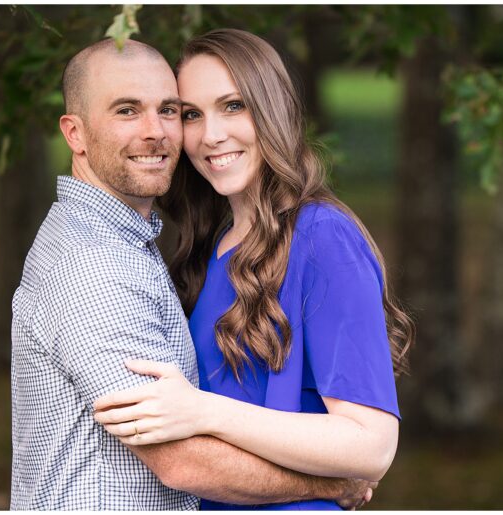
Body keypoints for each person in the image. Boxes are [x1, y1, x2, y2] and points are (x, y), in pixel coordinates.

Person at [10, 37, 375, 510]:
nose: (156, 131)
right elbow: (181, 460)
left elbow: (368, 435)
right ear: (75, 134)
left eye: (167, 110)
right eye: (126, 111)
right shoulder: (92, 264)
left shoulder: (139, 242)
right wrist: (330, 485)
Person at [94, 29, 415, 510]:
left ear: (273, 109)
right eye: (191, 116)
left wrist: (203, 411)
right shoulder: (211, 245)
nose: (211, 135)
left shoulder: (323, 237)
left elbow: (372, 445)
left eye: (233, 106)